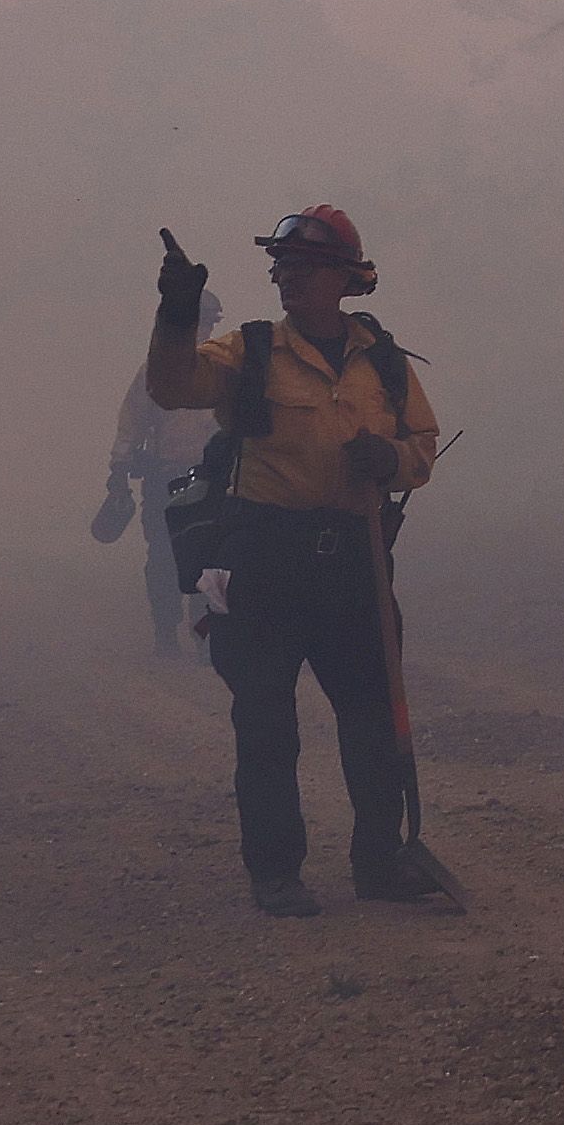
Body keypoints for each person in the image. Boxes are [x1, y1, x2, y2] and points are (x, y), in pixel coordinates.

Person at [141, 205, 447, 916]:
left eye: (304, 268)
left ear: (345, 278)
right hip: (266, 563)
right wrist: (177, 309)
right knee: (267, 724)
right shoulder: (247, 352)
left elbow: (422, 447)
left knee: (374, 719)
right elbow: (171, 386)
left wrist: (391, 459)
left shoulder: (386, 364)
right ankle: (276, 873)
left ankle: (380, 862)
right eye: (281, 267)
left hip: (355, 567)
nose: (287, 279)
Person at [92, 361, 212, 658]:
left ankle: (205, 637)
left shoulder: (220, 365)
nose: (200, 330)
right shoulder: (156, 371)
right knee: (164, 558)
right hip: (164, 478)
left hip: (211, 478)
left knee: (209, 560)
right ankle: (166, 634)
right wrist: (119, 468)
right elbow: (132, 420)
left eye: (206, 322)